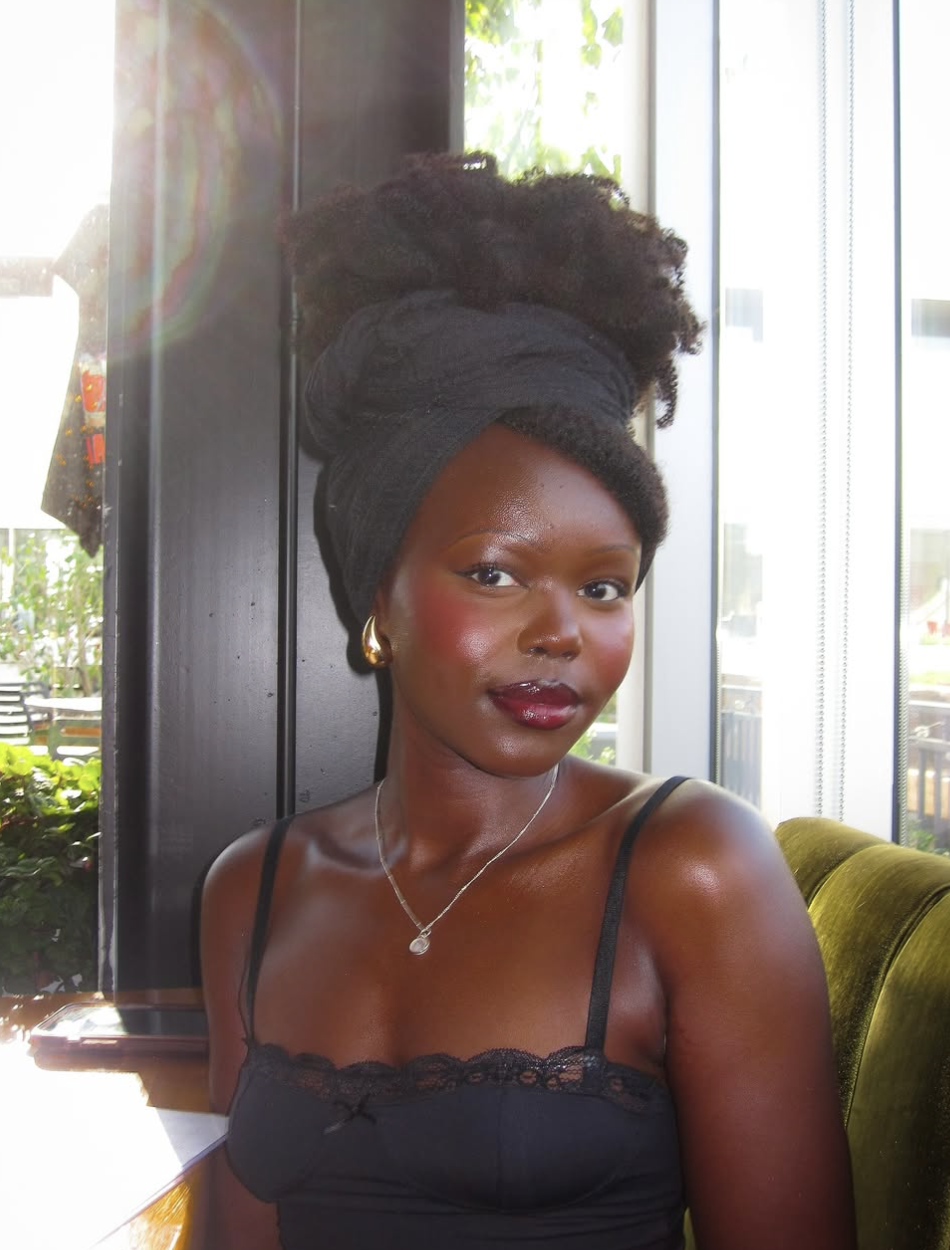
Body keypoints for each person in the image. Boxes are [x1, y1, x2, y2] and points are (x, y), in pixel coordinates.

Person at [200, 152, 856, 1250]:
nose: (563, 632)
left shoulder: (692, 869)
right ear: (378, 594)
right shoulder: (254, 890)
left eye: (603, 586)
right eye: (496, 571)